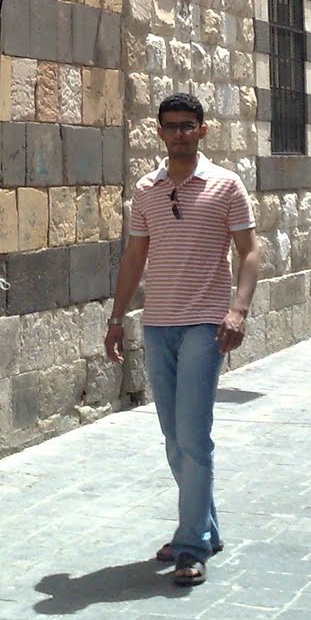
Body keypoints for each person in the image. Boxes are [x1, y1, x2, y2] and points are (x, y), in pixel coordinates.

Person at [105, 92, 260, 589]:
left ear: (202, 130)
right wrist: (116, 318)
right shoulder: (146, 190)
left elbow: (249, 251)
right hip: (158, 326)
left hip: (205, 326)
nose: (179, 133)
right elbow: (135, 256)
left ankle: (191, 545)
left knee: (193, 437)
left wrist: (238, 310)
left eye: (187, 125)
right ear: (159, 132)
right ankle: (205, 526)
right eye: (170, 126)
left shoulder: (225, 185)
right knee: (174, 439)